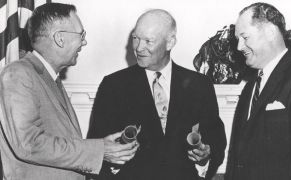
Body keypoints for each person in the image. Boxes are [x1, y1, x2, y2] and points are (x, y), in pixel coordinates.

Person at [0, 3, 139, 180]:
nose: (84, 41)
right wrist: (100, 150)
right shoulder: (18, 74)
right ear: (59, 38)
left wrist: (106, 150)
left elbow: (63, 143)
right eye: (81, 35)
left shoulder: (49, 77)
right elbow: (30, 143)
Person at [87, 9, 226, 180]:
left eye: (148, 41)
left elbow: (216, 142)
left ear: (170, 42)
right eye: (135, 38)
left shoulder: (200, 85)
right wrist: (115, 163)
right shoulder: (113, 85)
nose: (139, 48)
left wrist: (204, 158)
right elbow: (97, 149)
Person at [225, 2, 291, 180]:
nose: (239, 47)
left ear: (270, 32)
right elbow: (235, 159)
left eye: (245, 37)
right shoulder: (250, 87)